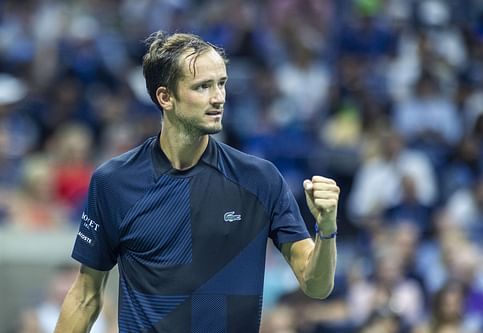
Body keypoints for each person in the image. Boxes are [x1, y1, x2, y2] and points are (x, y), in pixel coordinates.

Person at [55, 31, 340, 333]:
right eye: (203, 87)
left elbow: (316, 285)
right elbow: (85, 297)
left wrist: (327, 228)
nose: (218, 98)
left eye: (221, 83)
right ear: (165, 97)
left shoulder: (260, 179)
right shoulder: (113, 182)